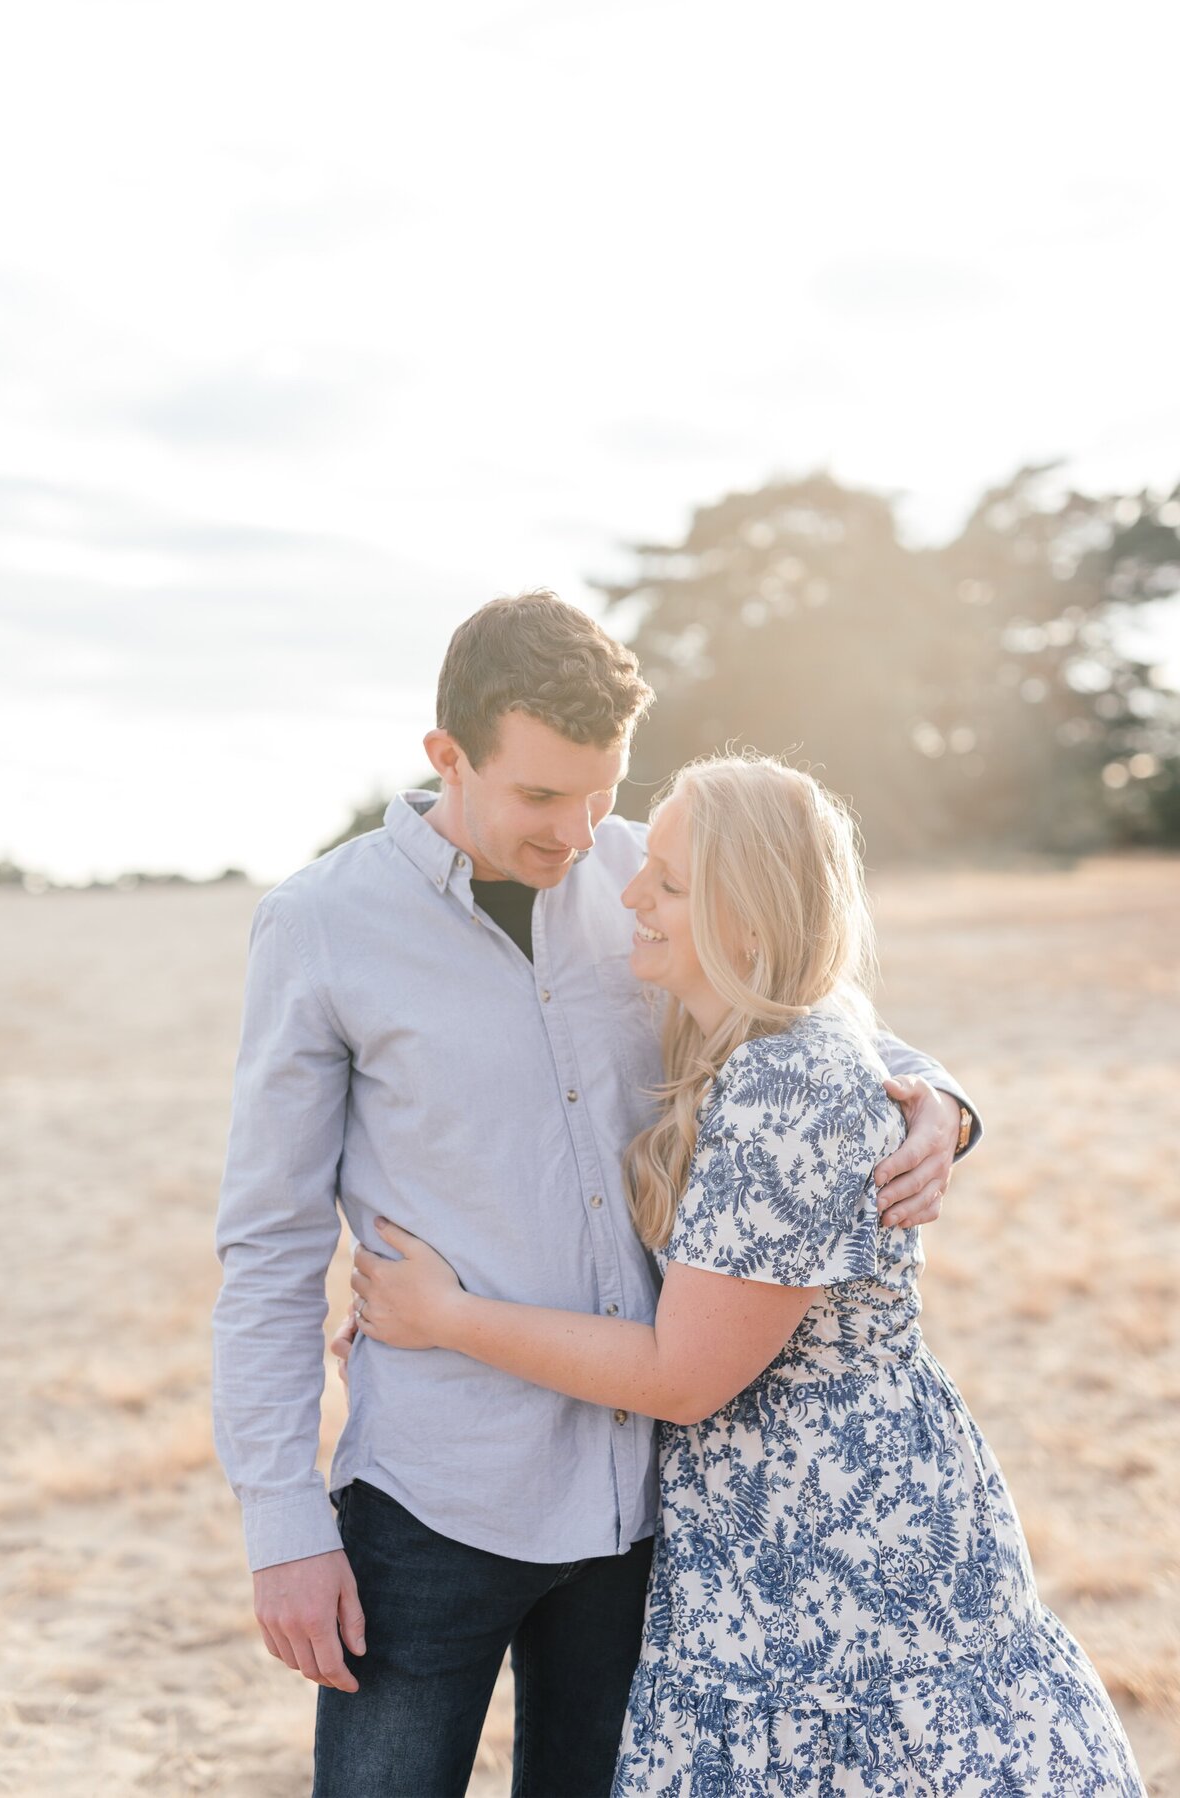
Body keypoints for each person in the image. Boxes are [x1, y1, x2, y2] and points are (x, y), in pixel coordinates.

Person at [212, 593, 980, 1798]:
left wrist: (941, 1097)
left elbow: (809, 1014)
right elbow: (268, 1246)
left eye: (601, 790)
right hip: (434, 1498)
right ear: (446, 757)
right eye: (538, 795)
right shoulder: (320, 926)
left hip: (650, 1500)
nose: (577, 832)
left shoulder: (649, 874)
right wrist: (283, 1528)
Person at [347, 752, 1145, 1797]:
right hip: (769, 1520)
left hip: (837, 1539)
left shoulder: (788, 1083)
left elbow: (684, 1375)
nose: (631, 889)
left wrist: (448, 1315)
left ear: (752, 923)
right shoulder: (736, 1035)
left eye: (669, 881)